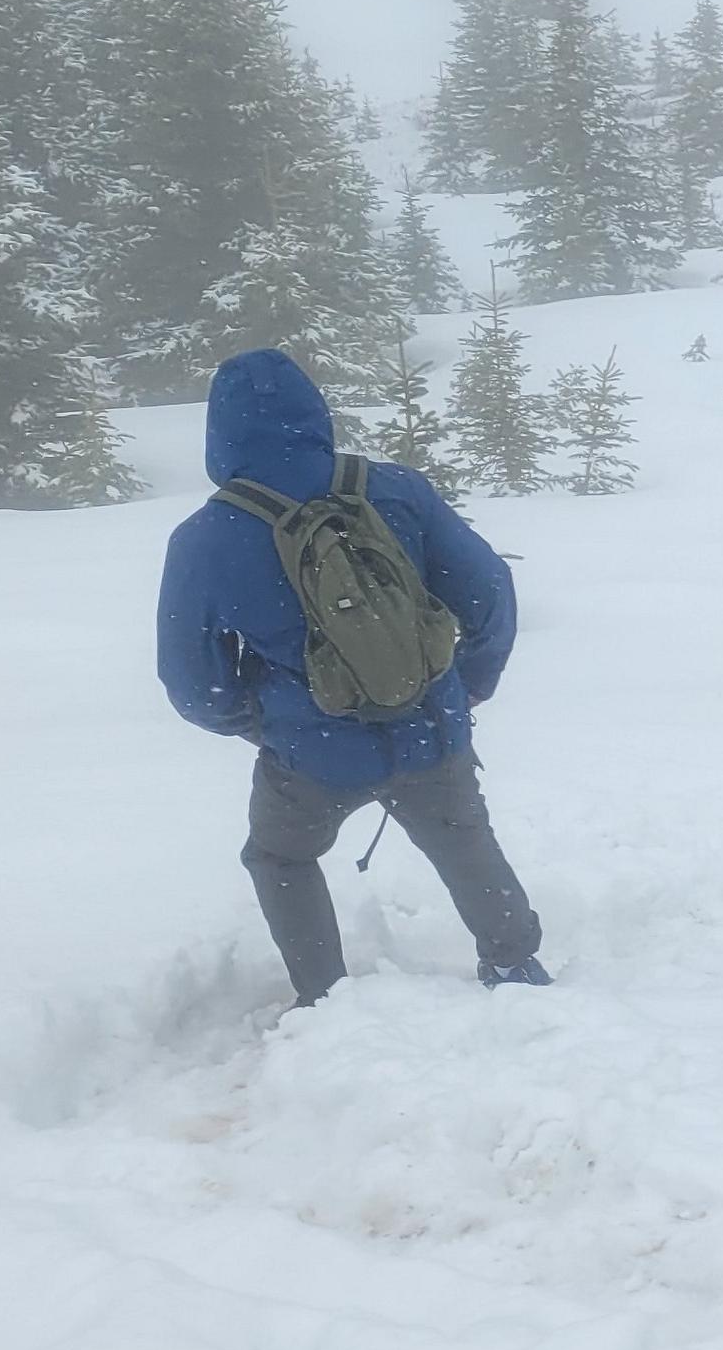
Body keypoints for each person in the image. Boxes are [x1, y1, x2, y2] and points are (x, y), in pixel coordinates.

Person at [155, 346, 546, 1005]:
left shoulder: (207, 537)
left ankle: (327, 999)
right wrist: (469, 681)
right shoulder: (394, 490)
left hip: (311, 754)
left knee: (280, 858)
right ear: (315, 411)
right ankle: (514, 965)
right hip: (430, 726)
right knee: (462, 838)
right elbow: (488, 589)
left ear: (219, 433)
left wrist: (262, 722)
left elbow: (193, 683)